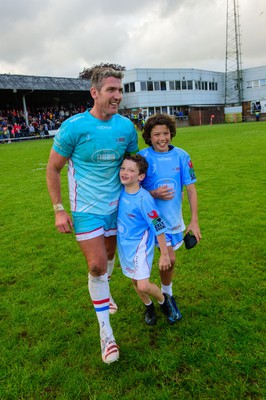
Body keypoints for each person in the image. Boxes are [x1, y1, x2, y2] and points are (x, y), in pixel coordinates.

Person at [46, 66, 139, 364]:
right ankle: (106, 334)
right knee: (97, 265)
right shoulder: (74, 127)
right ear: (95, 92)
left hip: (118, 209)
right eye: (111, 90)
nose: (117, 96)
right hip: (86, 209)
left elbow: (135, 165)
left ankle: (105, 291)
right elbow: (53, 169)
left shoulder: (125, 127)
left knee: (109, 257)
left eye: (120, 91)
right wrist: (59, 210)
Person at [139, 114, 202, 319]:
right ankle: (154, 300)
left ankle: (165, 294)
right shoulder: (143, 158)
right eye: (156, 134)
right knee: (163, 260)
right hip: (148, 222)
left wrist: (194, 221)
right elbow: (131, 190)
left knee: (170, 261)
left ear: (171, 133)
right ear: (149, 136)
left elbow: (191, 190)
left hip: (173, 220)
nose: (162, 138)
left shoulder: (182, 156)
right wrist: (154, 194)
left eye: (165, 133)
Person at [117, 154, 179, 326]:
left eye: (131, 170)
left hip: (140, 248)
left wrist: (164, 254)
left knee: (143, 285)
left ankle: (163, 300)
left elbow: (158, 226)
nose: (125, 172)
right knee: (134, 280)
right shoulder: (119, 191)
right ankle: (148, 306)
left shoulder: (144, 199)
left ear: (141, 176)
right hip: (124, 247)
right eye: (123, 168)